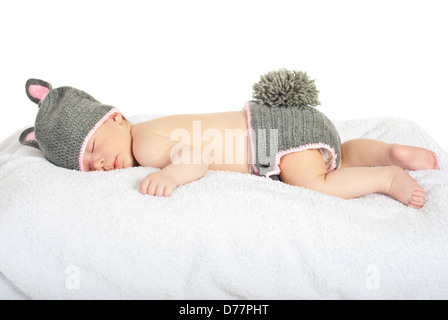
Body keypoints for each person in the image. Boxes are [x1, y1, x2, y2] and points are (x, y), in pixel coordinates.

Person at [20, 72, 439, 209]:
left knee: (313, 181)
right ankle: (384, 150)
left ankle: (386, 176)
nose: (96, 163)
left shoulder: (145, 142)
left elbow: (195, 158)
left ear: (116, 117)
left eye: (93, 145)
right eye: (84, 163)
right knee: (338, 155)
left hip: (273, 138)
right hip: (292, 123)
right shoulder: (148, 128)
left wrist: (172, 176)